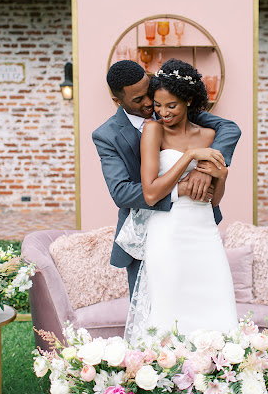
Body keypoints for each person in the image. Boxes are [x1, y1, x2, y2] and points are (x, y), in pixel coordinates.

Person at [92, 60, 240, 298]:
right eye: (138, 100)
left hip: (196, 224)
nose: (151, 104)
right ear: (119, 101)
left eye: (148, 91)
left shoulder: (177, 110)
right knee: (153, 315)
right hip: (145, 232)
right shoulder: (107, 135)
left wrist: (204, 168)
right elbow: (121, 192)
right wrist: (179, 189)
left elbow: (229, 129)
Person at [124, 58, 239, 341]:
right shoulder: (153, 131)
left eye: (171, 106)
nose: (163, 113)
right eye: (158, 105)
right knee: (169, 316)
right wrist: (189, 156)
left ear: (188, 100)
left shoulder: (211, 135)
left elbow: (212, 201)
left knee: (217, 309)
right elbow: (150, 192)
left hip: (204, 233)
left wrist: (221, 177)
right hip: (168, 232)